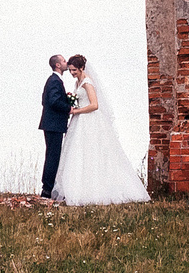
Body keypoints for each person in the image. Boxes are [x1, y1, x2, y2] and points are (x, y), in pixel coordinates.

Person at [51, 52, 149, 205]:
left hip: (89, 120)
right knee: (78, 153)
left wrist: (76, 111)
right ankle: (79, 189)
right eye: (70, 70)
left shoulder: (88, 83)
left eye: (74, 70)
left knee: (92, 153)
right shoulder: (78, 83)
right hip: (79, 121)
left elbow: (94, 105)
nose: (71, 73)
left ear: (82, 68)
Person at [37, 53, 74, 199]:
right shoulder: (54, 80)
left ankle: (49, 188)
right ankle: (47, 190)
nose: (67, 63)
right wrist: (68, 108)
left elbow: (46, 100)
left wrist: (66, 98)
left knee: (53, 155)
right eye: (64, 61)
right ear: (58, 65)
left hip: (52, 124)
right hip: (53, 125)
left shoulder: (55, 80)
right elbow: (53, 101)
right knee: (53, 157)